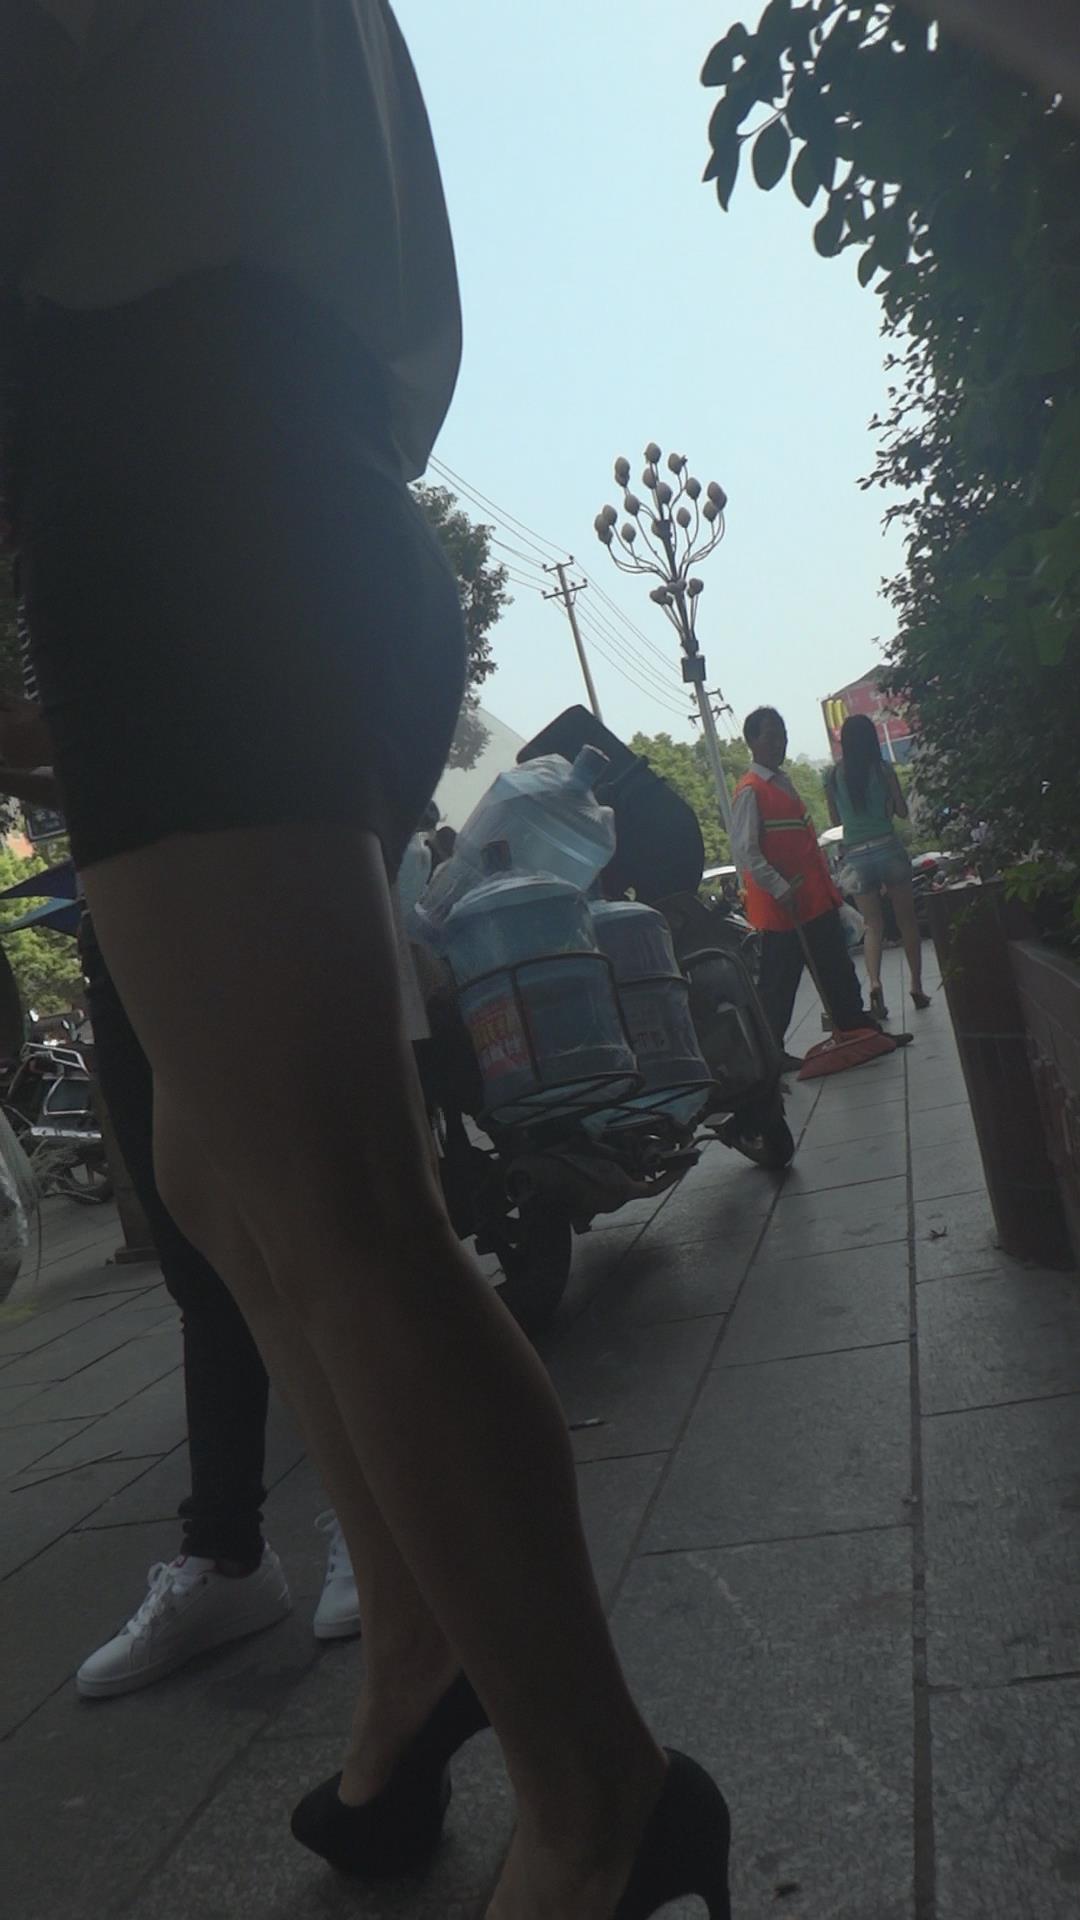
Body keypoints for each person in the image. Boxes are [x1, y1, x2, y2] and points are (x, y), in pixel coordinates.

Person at [2, 9, 730, 1918]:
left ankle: (603, 1803)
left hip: (164, 462)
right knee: (226, 1169)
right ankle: (415, 1655)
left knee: (332, 1199)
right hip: (293, 465)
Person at [0, 746, 363, 1694]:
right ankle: (231, 1549)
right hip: (119, 915)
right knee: (200, 1257)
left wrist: (44, 750)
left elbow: (156, 733)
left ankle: (380, 1528)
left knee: (301, 1227)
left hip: (225, 885)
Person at [731, 707, 907, 1064]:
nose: (779, 743)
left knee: (837, 969)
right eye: (771, 737)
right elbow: (746, 852)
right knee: (779, 983)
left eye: (782, 735)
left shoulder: (783, 783)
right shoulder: (750, 791)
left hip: (813, 899)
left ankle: (860, 1031)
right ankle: (769, 1055)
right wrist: (779, 888)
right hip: (782, 908)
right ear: (752, 741)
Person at [826, 714, 931, 1020]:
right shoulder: (883, 770)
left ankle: (874, 983)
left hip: (856, 857)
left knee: (872, 925)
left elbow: (835, 820)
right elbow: (901, 810)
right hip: (888, 848)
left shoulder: (833, 776)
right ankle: (916, 986)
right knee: (907, 921)